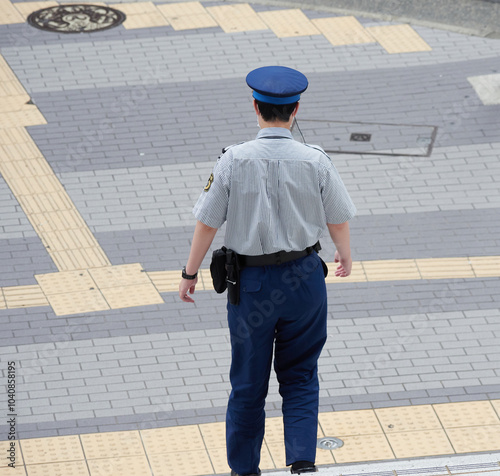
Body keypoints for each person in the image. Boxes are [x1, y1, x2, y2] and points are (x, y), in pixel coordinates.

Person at [179, 66, 356, 476]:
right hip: (304, 280)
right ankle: (302, 463)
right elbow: (339, 220)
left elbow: (207, 223)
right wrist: (344, 255)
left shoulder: (233, 160)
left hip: (252, 286)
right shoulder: (316, 160)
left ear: (256, 108)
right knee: (301, 375)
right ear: (295, 111)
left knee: (247, 383)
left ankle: (245, 470)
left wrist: (190, 273)